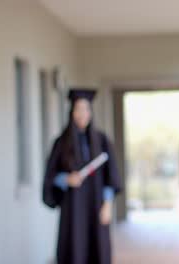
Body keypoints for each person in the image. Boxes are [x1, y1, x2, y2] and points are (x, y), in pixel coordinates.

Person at [42, 89, 121, 264]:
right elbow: (50, 176)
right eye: (78, 109)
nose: (82, 114)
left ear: (91, 112)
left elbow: (111, 176)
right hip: (73, 209)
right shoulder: (61, 143)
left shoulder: (101, 140)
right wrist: (65, 179)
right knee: (74, 249)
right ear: (71, 112)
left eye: (86, 109)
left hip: (97, 206)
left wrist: (107, 205)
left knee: (98, 249)